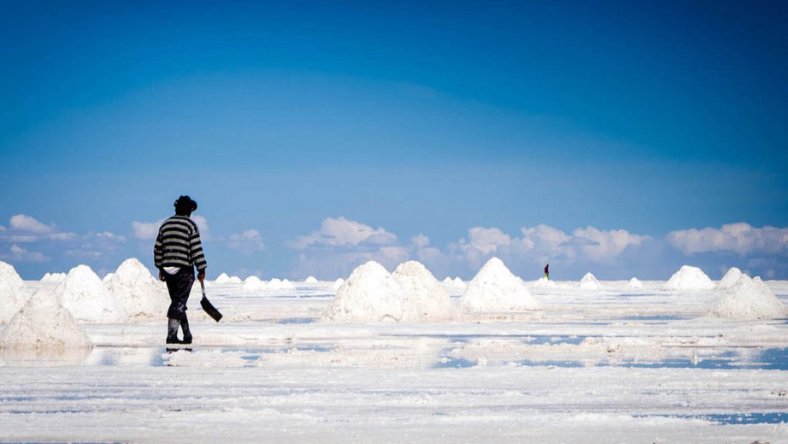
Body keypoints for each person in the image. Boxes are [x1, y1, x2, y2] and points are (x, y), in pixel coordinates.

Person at [154, 195, 208, 344]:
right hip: (183, 269)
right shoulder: (190, 225)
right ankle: (171, 336)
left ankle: (187, 334)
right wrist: (201, 268)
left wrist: (160, 267)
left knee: (177, 301)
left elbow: (158, 248)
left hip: (167, 268)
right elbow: (196, 248)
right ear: (189, 210)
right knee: (179, 303)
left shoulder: (165, 224)